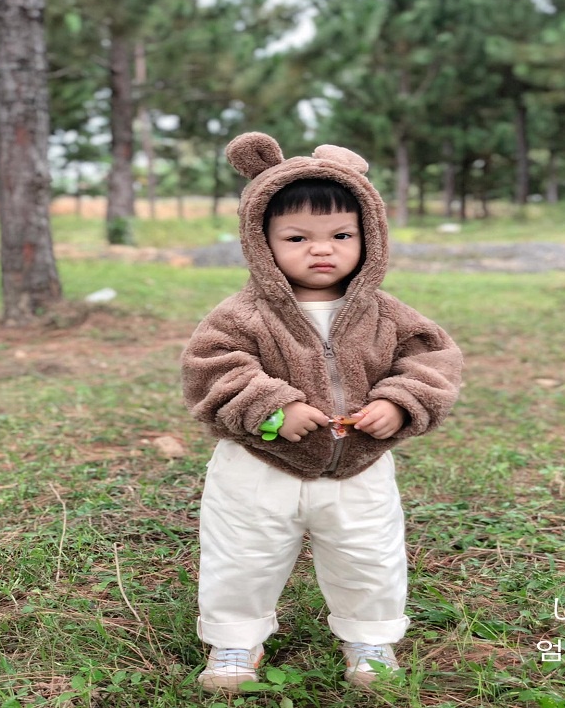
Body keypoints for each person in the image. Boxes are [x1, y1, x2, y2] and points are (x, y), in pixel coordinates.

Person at [181, 131, 463, 693]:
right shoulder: (242, 314)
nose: (322, 249)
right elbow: (211, 368)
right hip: (258, 468)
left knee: (368, 553)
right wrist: (273, 409)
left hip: (358, 465)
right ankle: (235, 642)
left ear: (370, 237)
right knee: (242, 554)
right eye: (297, 237)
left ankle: (369, 638)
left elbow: (433, 360)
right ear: (261, 241)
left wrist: (398, 402)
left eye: (341, 234)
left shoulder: (385, 313)